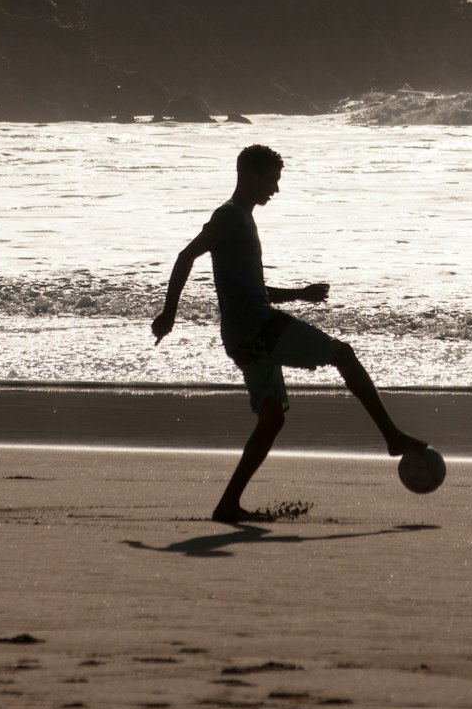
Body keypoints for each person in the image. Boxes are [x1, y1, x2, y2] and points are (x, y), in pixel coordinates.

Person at [151, 143, 426, 522]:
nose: (275, 190)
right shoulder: (230, 216)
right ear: (249, 176)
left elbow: (252, 288)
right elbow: (186, 256)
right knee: (343, 354)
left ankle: (228, 504)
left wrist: (299, 294)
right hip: (259, 330)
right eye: (271, 181)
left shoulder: (242, 220)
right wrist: (169, 313)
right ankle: (392, 437)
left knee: (272, 418)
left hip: (242, 337)